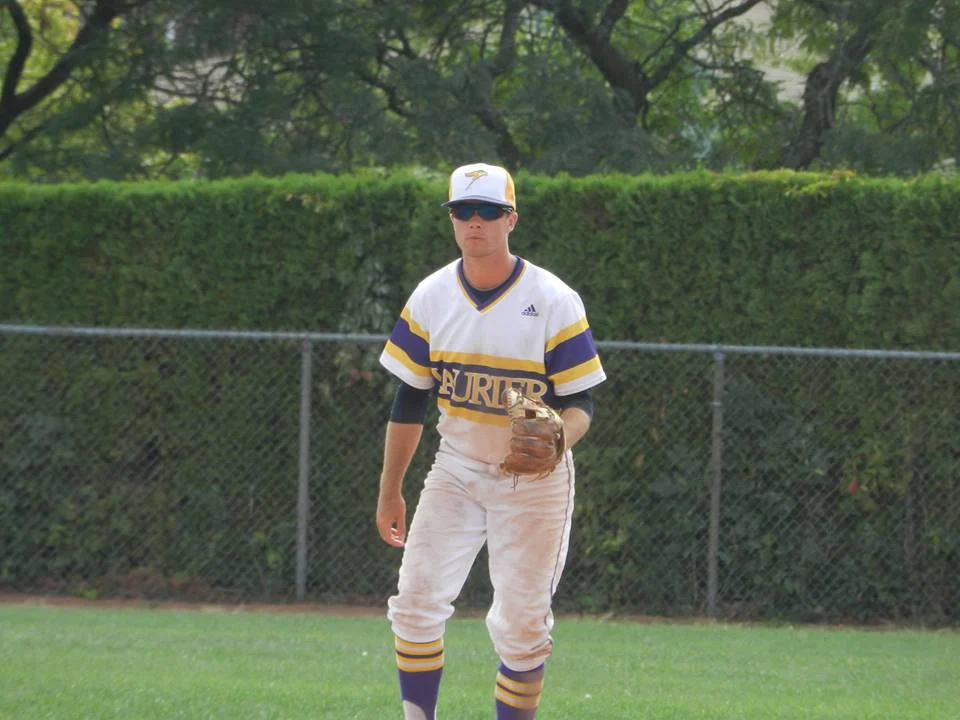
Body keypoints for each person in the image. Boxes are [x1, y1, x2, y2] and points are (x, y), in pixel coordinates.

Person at [376, 162, 606, 719]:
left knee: (522, 626)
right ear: (452, 220)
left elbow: (581, 403)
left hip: (534, 479)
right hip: (456, 467)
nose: (474, 221)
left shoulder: (552, 299)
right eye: (463, 210)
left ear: (511, 220)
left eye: (488, 211)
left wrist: (559, 438)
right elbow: (409, 400)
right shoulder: (432, 297)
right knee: (415, 603)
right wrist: (390, 490)